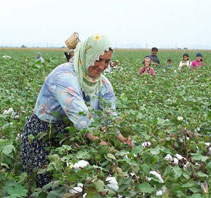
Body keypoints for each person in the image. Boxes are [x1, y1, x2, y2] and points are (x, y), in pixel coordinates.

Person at [21, 35, 133, 188]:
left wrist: (124, 141)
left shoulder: (104, 85)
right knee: (45, 184)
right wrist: (109, 150)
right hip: (44, 134)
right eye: (98, 59)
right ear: (87, 56)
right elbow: (83, 121)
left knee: (77, 185)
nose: (102, 66)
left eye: (106, 61)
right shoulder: (64, 77)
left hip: (75, 136)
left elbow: (110, 118)